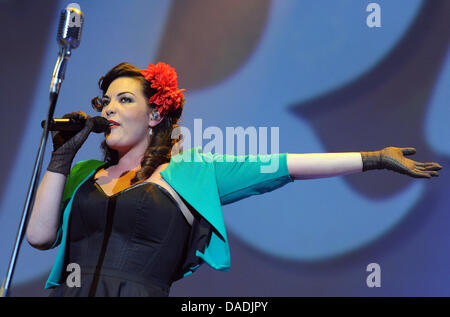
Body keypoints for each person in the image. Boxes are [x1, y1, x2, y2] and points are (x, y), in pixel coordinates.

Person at [26, 62, 443, 297]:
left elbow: (285, 165)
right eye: (106, 101)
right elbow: (40, 237)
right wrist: (61, 157)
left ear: (155, 115)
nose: (109, 109)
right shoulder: (82, 173)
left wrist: (373, 159)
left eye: (125, 99)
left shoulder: (191, 172)